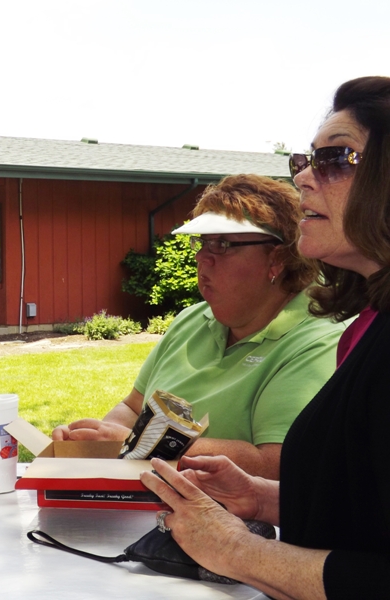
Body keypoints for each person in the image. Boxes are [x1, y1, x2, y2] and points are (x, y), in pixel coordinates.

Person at [142, 76, 390, 598]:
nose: (302, 177)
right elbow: (368, 507)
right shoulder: (369, 325)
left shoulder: (322, 337)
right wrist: (262, 499)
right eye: (307, 159)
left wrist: (235, 549)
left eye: (336, 157)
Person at [53, 174, 345, 479]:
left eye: (223, 245)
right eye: (203, 242)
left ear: (277, 258)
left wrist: (141, 444)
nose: (202, 257)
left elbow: (278, 463)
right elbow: (132, 408)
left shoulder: (318, 341)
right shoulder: (192, 319)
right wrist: (95, 438)